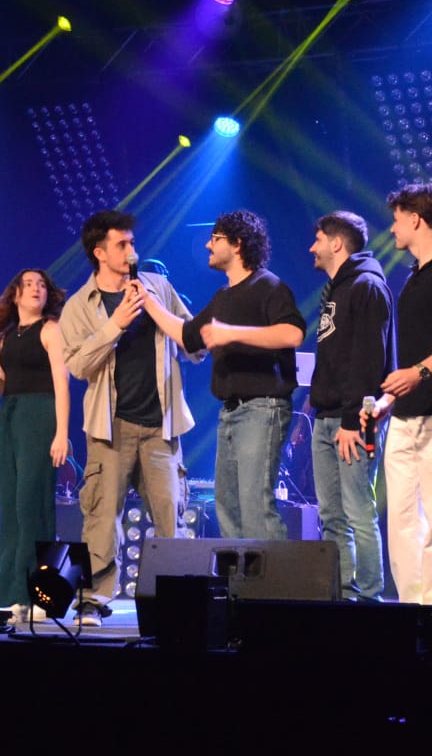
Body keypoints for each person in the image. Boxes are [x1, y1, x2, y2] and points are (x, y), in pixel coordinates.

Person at [59, 211, 196, 625]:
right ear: (99, 252)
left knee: (170, 514)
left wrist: (154, 308)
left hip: (161, 425)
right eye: (122, 244)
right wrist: (114, 326)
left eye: (133, 242)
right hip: (110, 427)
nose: (132, 250)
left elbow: (194, 345)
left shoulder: (158, 287)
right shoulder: (79, 306)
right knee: (102, 517)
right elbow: (78, 366)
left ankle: (176, 601)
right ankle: (94, 600)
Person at [142, 209, 305, 540]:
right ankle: (244, 587)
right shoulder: (223, 297)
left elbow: (292, 334)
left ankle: (276, 586)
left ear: (237, 243)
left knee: (255, 505)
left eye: (214, 239)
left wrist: (232, 332)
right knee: (227, 506)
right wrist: (147, 302)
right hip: (230, 412)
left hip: (262, 408)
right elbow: (188, 335)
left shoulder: (268, 286)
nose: (206, 246)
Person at [307, 211, 395, 601]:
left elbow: (367, 361)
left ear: (336, 243)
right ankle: (341, 596)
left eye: (318, 239)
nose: (312, 247)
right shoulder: (336, 289)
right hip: (327, 419)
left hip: (352, 421)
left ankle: (371, 598)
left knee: (359, 513)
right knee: (331, 518)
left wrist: (349, 420)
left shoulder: (367, 286)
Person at [0, 269, 70, 622]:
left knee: (32, 505)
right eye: (28, 284)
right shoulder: (4, 336)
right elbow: (3, 388)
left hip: (40, 413)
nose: (35, 289)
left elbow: (61, 384)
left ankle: (38, 594)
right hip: (10, 415)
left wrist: (62, 433)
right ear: (15, 294)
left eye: (41, 285)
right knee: (12, 507)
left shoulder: (50, 329)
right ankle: (11, 597)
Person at [361, 184, 432, 603]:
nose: (392, 228)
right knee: (402, 521)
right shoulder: (412, 277)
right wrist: (390, 399)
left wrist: (419, 373)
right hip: (405, 415)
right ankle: (413, 610)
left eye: (396, 218)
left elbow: (418, 362)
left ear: (416, 219)